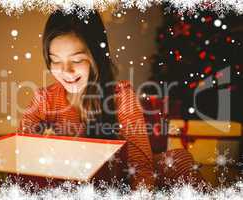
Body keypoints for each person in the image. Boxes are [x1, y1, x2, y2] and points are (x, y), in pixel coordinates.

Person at [17, 7, 205, 191]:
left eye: (76, 60)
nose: (65, 70)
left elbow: (140, 168)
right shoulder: (44, 99)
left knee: (178, 161)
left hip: (120, 180)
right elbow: (20, 153)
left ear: (96, 56)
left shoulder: (120, 96)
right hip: (76, 182)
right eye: (55, 60)